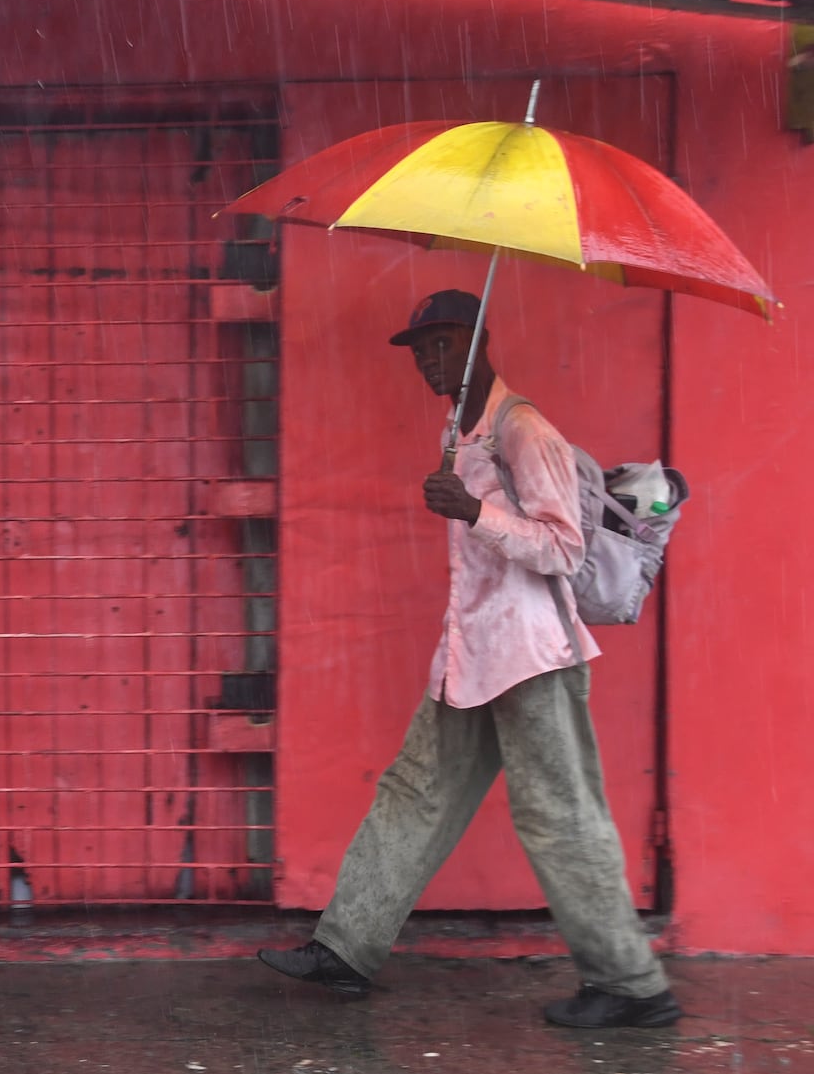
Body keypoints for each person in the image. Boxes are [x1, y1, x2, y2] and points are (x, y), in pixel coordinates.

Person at [258, 290, 681, 1029]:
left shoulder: (526, 433)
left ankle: (633, 986)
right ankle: (347, 948)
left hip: (532, 657)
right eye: (420, 350)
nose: (428, 360)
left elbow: (562, 548)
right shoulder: (469, 431)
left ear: (481, 342)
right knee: (416, 792)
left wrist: (473, 512)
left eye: (442, 345)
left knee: (561, 815)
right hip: (475, 653)